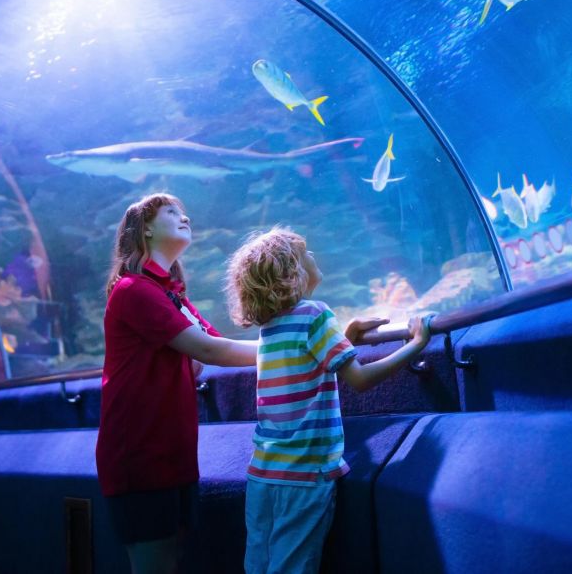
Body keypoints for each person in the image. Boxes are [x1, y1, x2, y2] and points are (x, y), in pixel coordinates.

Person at [225, 226, 432, 574]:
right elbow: (360, 379)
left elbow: (306, 365)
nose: (313, 257)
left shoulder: (272, 328)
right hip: (304, 475)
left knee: (259, 566)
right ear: (290, 271)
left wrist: (345, 337)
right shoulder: (315, 314)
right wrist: (415, 344)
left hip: (263, 474)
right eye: (304, 253)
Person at [96, 193, 260, 574]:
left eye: (184, 212)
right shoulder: (133, 290)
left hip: (174, 454)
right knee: (154, 566)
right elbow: (209, 349)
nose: (184, 217)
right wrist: (299, 348)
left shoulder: (171, 294)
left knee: (171, 561)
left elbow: (214, 345)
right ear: (146, 228)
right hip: (139, 455)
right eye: (171, 212)